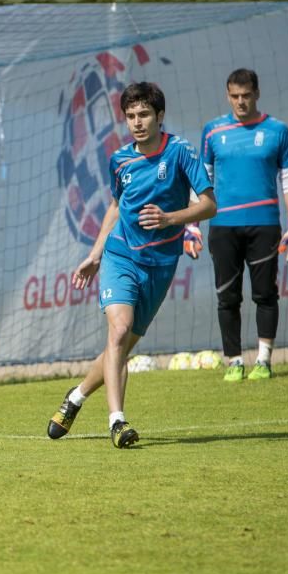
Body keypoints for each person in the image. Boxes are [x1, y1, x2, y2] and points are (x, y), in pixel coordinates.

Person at [47, 82, 216, 448]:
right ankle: (117, 421)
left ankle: (75, 397)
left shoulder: (181, 152)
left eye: (144, 115)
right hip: (120, 255)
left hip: (161, 264)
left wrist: (172, 218)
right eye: (130, 116)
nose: (137, 122)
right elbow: (114, 206)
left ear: (160, 116)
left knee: (121, 346)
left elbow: (208, 204)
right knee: (119, 331)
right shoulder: (120, 160)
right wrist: (95, 254)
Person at [187, 68, 288, 382]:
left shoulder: (278, 131)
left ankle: (264, 360)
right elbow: (202, 180)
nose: (241, 102)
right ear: (228, 95)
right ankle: (234, 361)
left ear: (257, 93)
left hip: (264, 224)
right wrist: (193, 226)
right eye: (235, 96)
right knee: (227, 297)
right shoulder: (213, 131)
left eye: (246, 95)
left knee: (265, 294)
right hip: (223, 226)